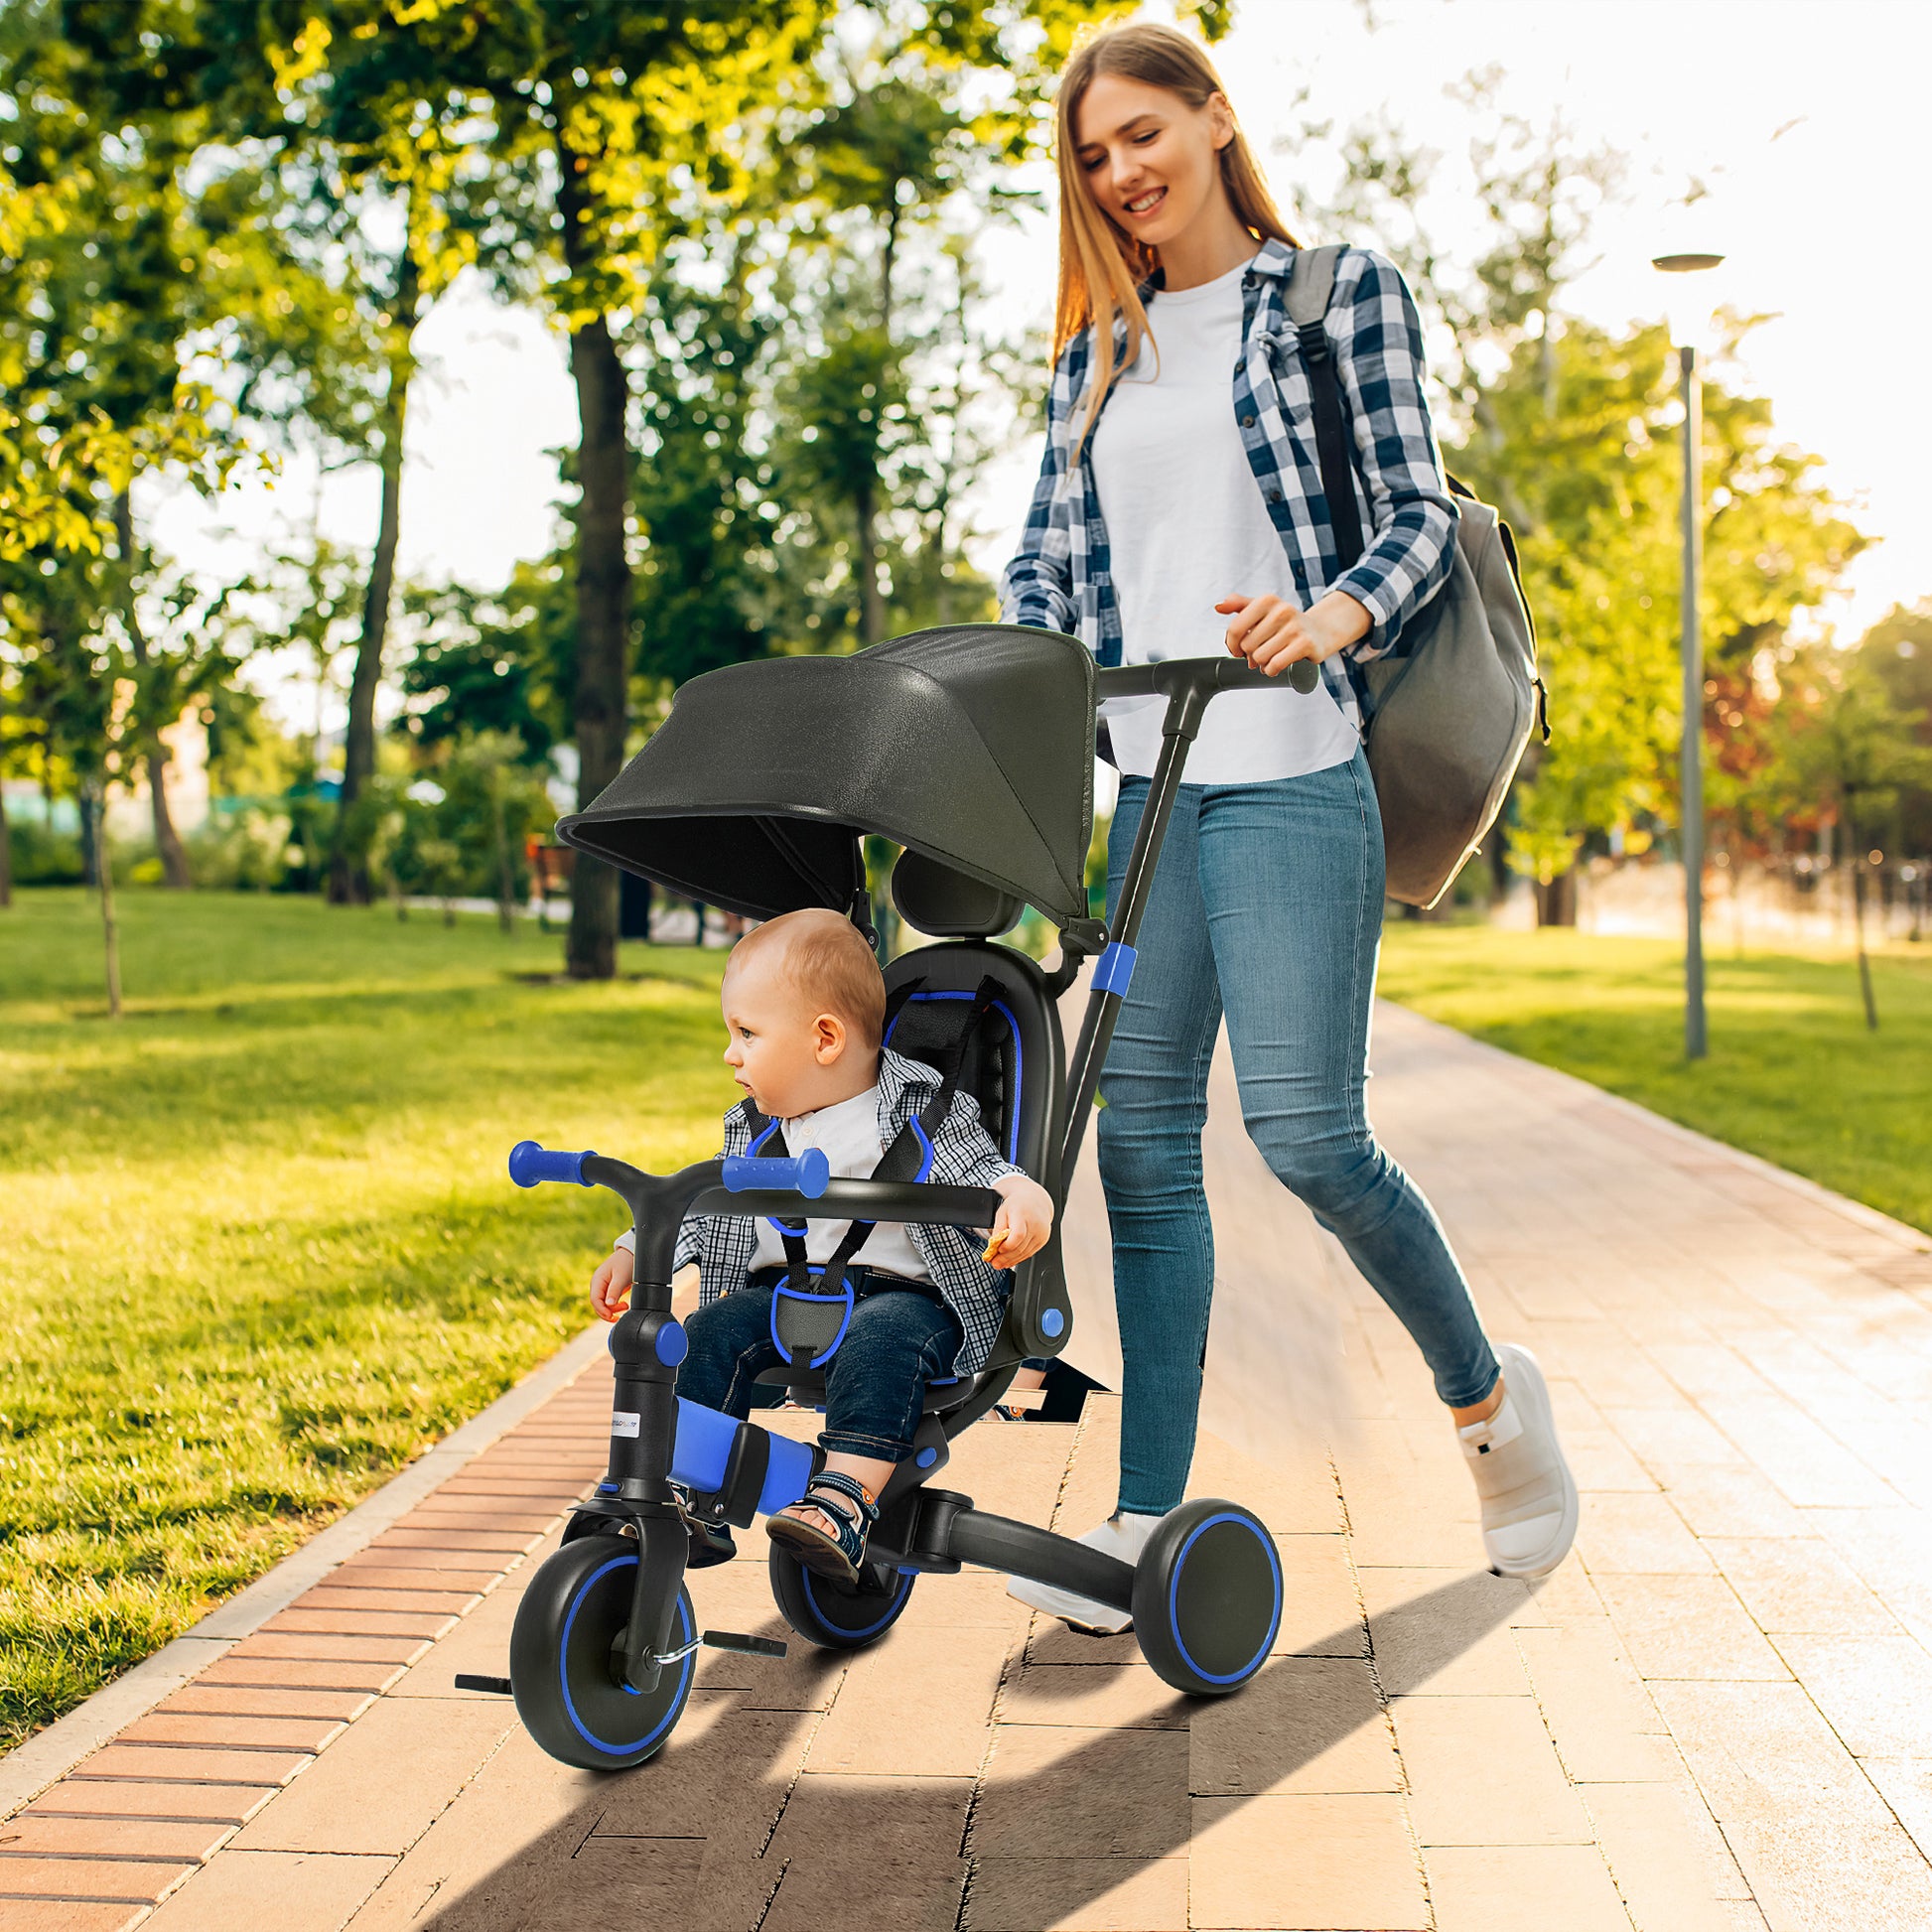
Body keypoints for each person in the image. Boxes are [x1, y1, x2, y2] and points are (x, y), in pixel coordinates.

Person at [1000, 22, 1577, 1632]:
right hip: (1152, 787)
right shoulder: (1091, 356)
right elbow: (1043, 563)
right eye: (1092, 155)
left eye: (1139, 134)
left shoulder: (1336, 298)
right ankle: (1139, 1513)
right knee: (1144, 1151)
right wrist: (1031, 670)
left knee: (1313, 1137)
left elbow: (1412, 509)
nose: (1119, 174)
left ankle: (1486, 1406)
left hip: (1297, 764)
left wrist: (1327, 614)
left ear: (1211, 116)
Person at [590, 908, 1055, 1583]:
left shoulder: (919, 1108)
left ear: (826, 1039)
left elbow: (983, 1171)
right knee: (710, 1331)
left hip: (909, 1299)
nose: (730, 1053)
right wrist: (639, 1249)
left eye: (746, 1033)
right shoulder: (755, 1125)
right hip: (792, 1294)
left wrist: (1023, 1198)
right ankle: (688, 1492)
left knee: (883, 1337)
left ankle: (845, 1498)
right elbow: (705, 1207)